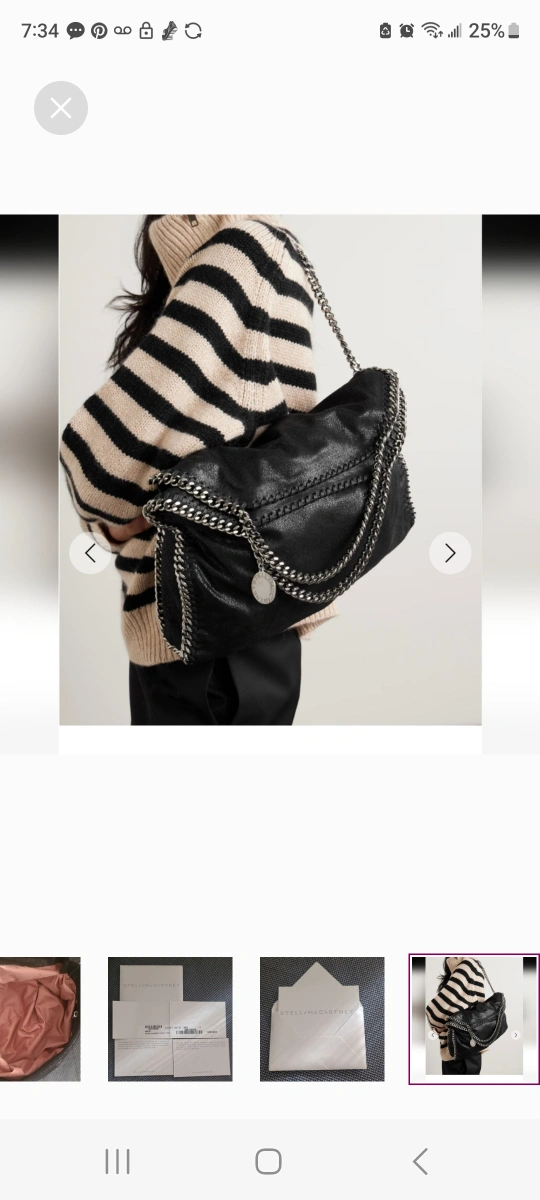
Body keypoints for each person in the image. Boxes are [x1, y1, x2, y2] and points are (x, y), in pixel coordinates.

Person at [61, 215, 336, 725]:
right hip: (247, 608)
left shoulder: (240, 251)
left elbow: (94, 462)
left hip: (203, 618)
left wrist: (112, 523)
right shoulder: (267, 253)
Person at [426, 956, 486, 1075]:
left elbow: (434, 1013)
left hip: (458, 1048)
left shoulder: (466, 966)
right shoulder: (474, 966)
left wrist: (436, 1027)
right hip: (472, 1046)